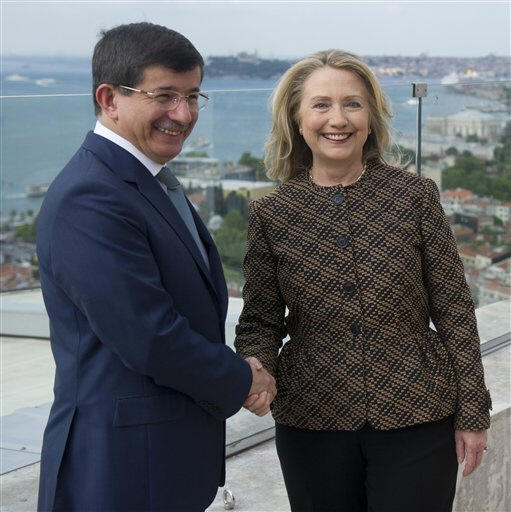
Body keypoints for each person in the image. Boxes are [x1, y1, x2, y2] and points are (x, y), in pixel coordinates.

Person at [235, 49, 491, 512]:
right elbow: (260, 319)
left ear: (370, 118)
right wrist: (257, 366)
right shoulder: (271, 214)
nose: (338, 119)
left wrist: (473, 410)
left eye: (352, 104)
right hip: (311, 419)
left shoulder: (415, 196)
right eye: (321, 105)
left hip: (418, 413)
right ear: (296, 120)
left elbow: (454, 309)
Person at [36, 22, 275, 512]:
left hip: (158, 462)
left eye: (192, 96)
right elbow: (148, 335)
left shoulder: (147, 180)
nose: (183, 114)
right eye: (164, 96)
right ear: (109, 99)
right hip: (118, 469)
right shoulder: (91, 196)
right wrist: (242, 379)